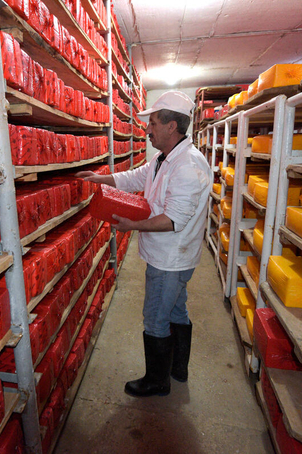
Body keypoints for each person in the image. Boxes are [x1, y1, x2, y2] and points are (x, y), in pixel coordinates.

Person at [75, 90, 213, 397]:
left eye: (152, 123)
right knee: (176, 311)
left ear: (171, 127)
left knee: (155, 318)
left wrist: (132, 226)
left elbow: (172, 220)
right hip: (169, 256)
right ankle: (177, 369)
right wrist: (102, 180)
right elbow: (136, 178)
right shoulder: (163, 159)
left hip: (170, 259)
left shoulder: (188, 166)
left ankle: (157, 381)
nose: (147, 130)